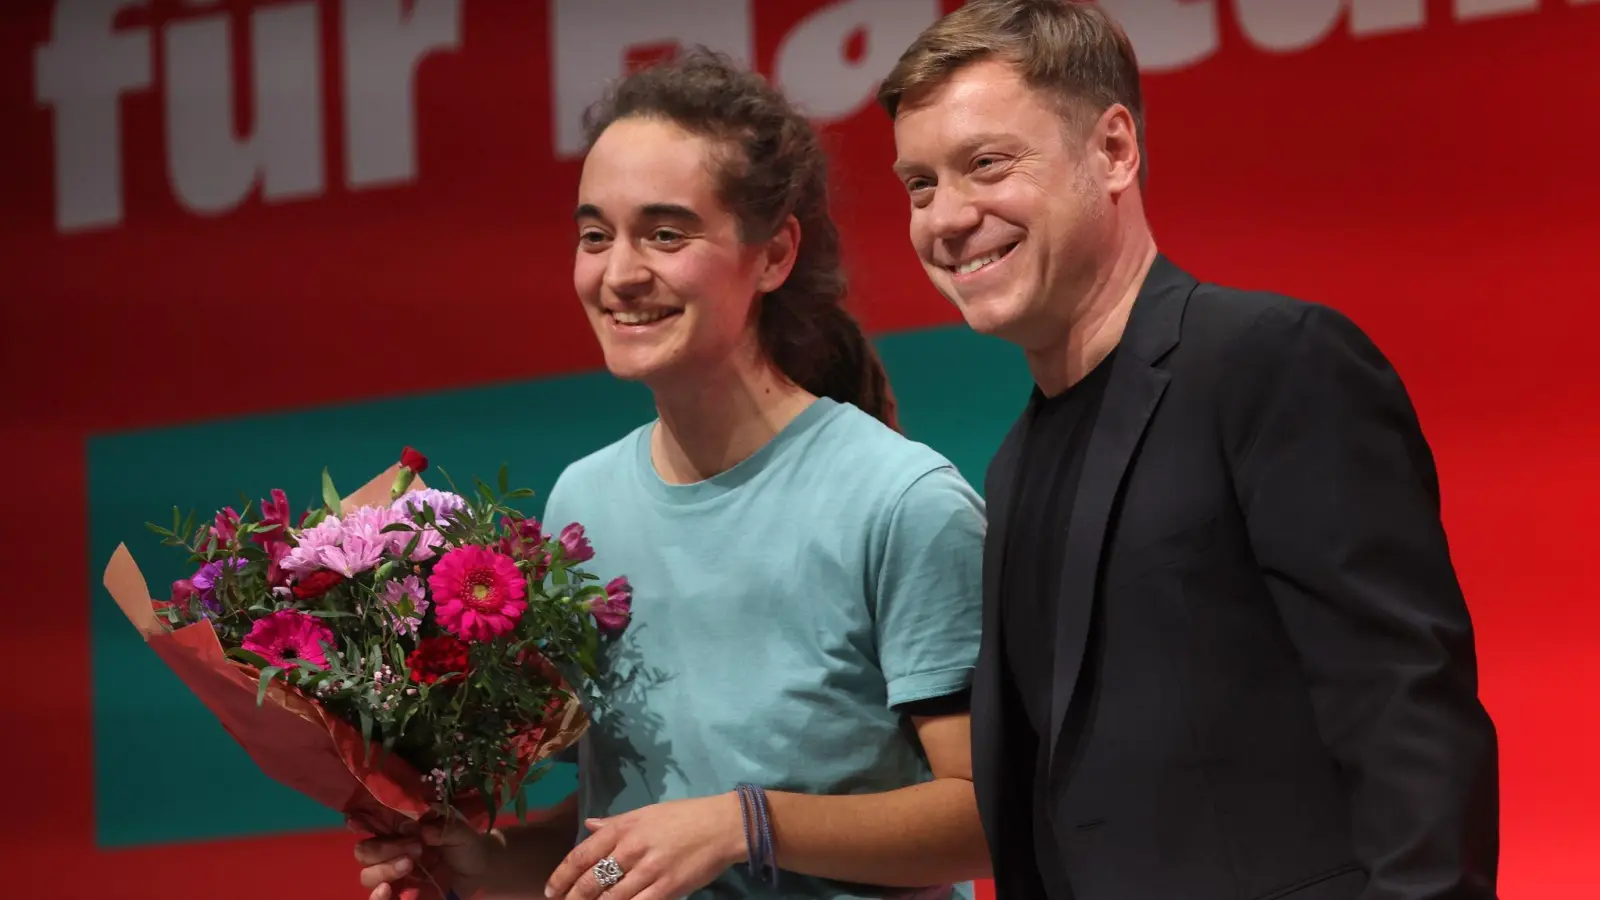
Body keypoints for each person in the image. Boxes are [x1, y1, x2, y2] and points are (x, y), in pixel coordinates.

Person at [876, 2, 1500, 899]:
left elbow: (1406, 711)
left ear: (1115, 150)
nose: (947, 218)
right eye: (919, 185)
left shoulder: (1271, 361)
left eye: (986, 164)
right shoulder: (1015, 459)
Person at [352, 50, 991, 900]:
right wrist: (479, 866)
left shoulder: (904, 504)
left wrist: (746, 825)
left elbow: (988, 819)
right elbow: (626, 836)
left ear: (773, 254)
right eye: (594, 235)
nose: (618, 273)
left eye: (665, 233)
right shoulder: (584, 503)